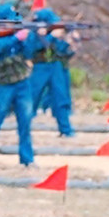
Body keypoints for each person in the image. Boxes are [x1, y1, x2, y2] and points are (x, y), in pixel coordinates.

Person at [0, 3, 42, 168]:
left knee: (25, 123)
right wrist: (15, 38)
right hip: (3, 85)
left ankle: (27, 159)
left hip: (22, 83)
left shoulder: (18, 35)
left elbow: (29, 52)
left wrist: (31, 37)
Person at [29, 8, 76, 137]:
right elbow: (31, 48)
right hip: (40, 66)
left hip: (55, 66)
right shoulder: (33, 33)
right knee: (32, 98)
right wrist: (49, 36)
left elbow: (62, 51)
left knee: (60, 98)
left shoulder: (54, 34)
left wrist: (68, 41)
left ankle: (65, 130)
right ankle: (23, 128)